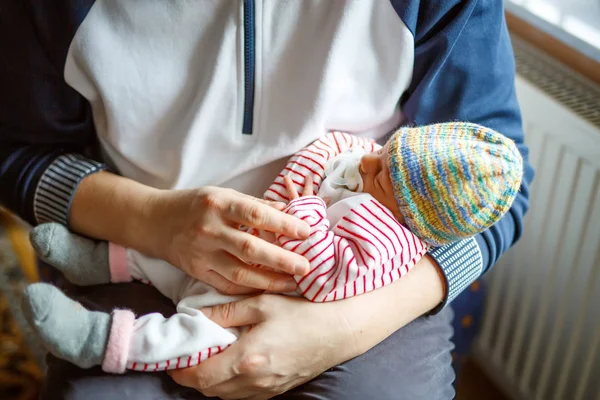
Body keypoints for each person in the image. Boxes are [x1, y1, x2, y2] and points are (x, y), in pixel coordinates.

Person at [0, 1, 534, 399]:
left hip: (360, 290)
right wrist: (154, 220)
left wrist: (349, 327)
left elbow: (501, 190)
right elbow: (17, 152)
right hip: (139, 234)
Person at [21, 123, 523, 375]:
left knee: (192, 335)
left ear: (413, 215)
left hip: (266, 308)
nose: (370, 163)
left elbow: (326, 273)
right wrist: (328, 158)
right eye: (386, 151)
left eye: (384, 175)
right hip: (236, 251)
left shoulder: (387, 244)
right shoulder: (374, 169)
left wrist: (304, 210)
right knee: (165, 261)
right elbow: (344, 149)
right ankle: (99, 261)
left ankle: (108, 342)